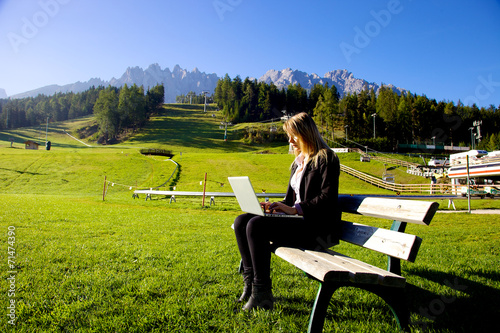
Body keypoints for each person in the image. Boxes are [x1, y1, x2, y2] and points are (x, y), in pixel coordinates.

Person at [233, 112, 341, 311]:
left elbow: (327, 199)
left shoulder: (327, 159)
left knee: (256, 225)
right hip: (299, 222)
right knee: (241, 221)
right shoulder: (298, 163)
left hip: (316, 228)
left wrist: (294, 210)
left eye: (294, 136)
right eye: (289, 136)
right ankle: (250, 285)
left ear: (306, 134)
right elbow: (291, 200)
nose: (290, 141)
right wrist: (276, 206)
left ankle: (262, 293)